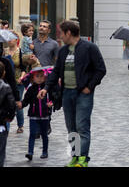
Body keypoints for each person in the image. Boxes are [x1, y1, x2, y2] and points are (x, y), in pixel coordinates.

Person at [37, 20, 106, 167]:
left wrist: (90, 86)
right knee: (71, 127)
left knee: (82, 126)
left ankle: (83, 159)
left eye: (61, 33)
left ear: (68, 33)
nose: (60, 36)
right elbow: (55, 72)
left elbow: (101, 69)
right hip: (67, 93)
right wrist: (46, 88)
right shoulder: (63, 51)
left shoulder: (89, 48)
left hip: (83, 94)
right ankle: (75, 156)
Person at [4, 31, 39, 134]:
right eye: (8, 38)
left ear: (16, 40)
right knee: (6, 103)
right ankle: (6, 125)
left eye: (12, 38)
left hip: (18, 80)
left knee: (17, 102)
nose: (9, 40)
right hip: (6, 80)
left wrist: (22, 77)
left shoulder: (20, 52)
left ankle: (20, 125)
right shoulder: (4, 51)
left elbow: (24, 67)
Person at [20, 68, 54, 161]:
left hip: (45, 115)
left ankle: (45, 152)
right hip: (33, 115)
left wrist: (51, 103)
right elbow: (26, 101)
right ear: (33, 78)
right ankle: (30, 152)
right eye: (37, 76)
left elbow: (53, 98)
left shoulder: (47, 89)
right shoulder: (31, 89)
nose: (39, 78)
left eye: (41, 76)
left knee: (44, 134)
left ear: (45, 77)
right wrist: (21, 104)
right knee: (32, 134)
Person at [0, 61, 16, 167]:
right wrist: (9, 117)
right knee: (1, 152)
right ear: (3, 73)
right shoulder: (5, 87)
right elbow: (11, 105)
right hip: (1, 122)